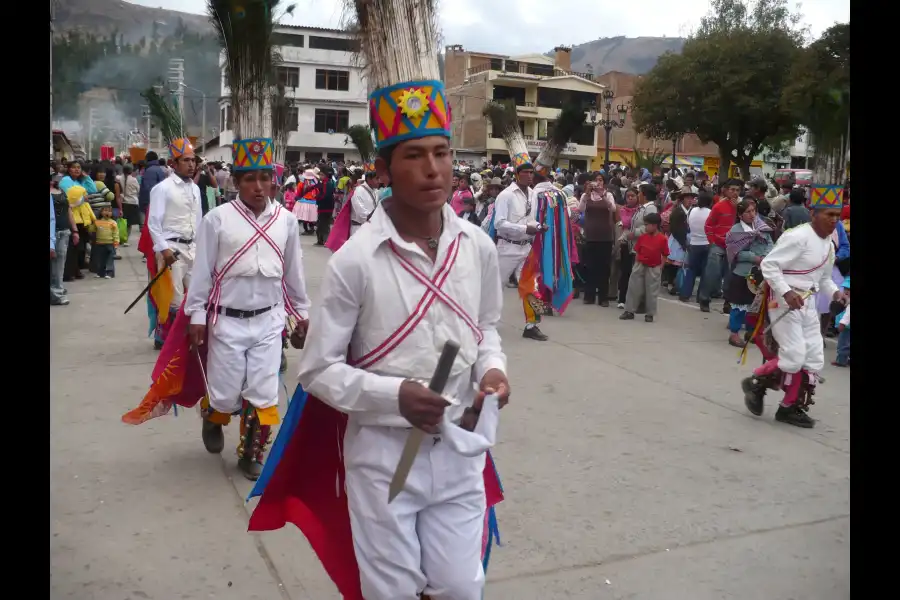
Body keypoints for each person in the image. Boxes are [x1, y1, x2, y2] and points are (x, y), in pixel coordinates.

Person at [247, 8, 508, 596]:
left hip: (463, 446)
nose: (434, 168)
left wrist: (494, 370)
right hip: (386, 456)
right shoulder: (355, 260)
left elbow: (487, 329)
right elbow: (317, 370)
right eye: (414, 155)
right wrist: (396, 396)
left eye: (441, 152)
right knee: (389, 592)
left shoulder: (479, 248)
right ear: (383, 168)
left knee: (462, 588)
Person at [186, 136, 311, 479]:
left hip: (269, 321)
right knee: (225, 394)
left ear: (273, 179)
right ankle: (213, 416)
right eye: (250, 179)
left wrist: (302, 314)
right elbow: (202, 273)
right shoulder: (217, 220)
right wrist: (197, 314)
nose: (259, 187)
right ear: (237, 181)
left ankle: (251, 453)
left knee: (264, 391)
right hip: (227, 321)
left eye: (265, 178)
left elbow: (294, 273)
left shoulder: (285, 221)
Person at [740, 193, 847, 428]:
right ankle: (758, 381)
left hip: (808, 304)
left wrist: (836, 294)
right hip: (783, 303)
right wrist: (787, 292)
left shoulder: (829, 245)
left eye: (837, 216)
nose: (833, 220)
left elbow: (825, 279)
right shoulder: (797, 237)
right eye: (829, 214)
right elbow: (769, 265)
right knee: (795, 355)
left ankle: (788, 407)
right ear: (813, 214)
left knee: (814, 357)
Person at [146, 137, 202, 349]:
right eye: (186, 160)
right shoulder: (163, 188)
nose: (191, 165)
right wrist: (164, 249)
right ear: (173, 163)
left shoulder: (195, 189)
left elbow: (198, 221)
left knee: (197, 295)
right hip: (172, 248)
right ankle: (169, 340)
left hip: (192, 248)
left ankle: (187, 335)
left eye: (193, 160)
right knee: (175, 299)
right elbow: (154, 223)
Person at [495, 161, 546, 340]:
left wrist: (538, 226)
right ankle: (488, 324)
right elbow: (499, 223)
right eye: (526, 172)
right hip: (507, 247)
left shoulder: (533, 194)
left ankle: (531, 325)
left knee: (531, 285)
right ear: (517, 174)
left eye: (532, 172)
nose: (530, 175)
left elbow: (530, 219)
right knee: (495, 286)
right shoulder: (505, 195)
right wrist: (525, 229)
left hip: (526, 247)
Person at [724, 199, 773, 347]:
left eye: (754, 211)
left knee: (756, 306)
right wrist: (755, 258)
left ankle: (752, 332)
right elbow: (736, 253)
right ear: (740, 215)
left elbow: (770, 243)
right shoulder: (736, 231)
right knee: (739, 305)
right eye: (748, 212)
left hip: (760, 273)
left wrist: (765, 256)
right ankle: (734, 334)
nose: (752, 214)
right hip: (742, 273)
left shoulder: (762, 227)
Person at [700, 177, 742, 312]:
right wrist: (712, 241)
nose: (735, 193)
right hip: (718, 244)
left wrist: (738, 210)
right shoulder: (718, 206)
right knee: (712, 272)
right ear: (726, 191)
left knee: (732, 275)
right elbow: (708, 225)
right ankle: (704, 299)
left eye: (738, 190)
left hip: (734, 246)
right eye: (733, 190)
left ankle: (727, 302)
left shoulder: (742, 207)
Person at [620, 211, 667, 322]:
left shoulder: (662, 239)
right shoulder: (643, 237)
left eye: (646, 225)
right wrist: (636, 265)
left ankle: (649, 314)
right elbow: (637, 251)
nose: (645, 227)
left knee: (652, 291)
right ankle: (629, 311)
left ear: (654, 225)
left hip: (653, 267)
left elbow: (665, 254)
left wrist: (661, 266)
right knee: (634, 288)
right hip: (640, 265)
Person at [578, 176, 617, 306]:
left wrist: (602, 196)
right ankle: (589, 296)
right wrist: (587, 194)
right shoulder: (586, 195)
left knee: (604, 268)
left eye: (600, 180)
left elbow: (613, 209)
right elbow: (580, 209)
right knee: (590, 266)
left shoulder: (608, 195)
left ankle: (603, 297)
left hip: (605, 236)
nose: (598, 183)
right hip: (590, 236)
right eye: (595, 180)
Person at [680, 191, 713, 302]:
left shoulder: (692, 211)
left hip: (694, 243)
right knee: (705, 272)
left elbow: (688, 224)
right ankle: (700, 296)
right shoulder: (710, 212)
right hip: (707, 243)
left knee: (691, 270)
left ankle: (685, 294)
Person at [91, 203, 119, 279]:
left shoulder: (113, 223)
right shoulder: (97, 222)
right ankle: (100, 273)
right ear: (101, 212)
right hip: (100, 243)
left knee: (110, 259)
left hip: (110, 243)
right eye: (105, 210)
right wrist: (91, 224)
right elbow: (92, 230)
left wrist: (116, 243)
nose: (107, 212)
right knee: (101, 259)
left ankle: (110, 273)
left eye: (109, 211)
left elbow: (116, 233)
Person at [138, 151, 166, 222]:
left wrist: (146, 205)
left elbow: (149, 189)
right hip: (159, 202)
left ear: (147, 159)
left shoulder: (150, 171)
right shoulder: (159, 169)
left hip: (151, 204)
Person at [117, 163, 141, 245]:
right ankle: (125, 239)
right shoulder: (134, 180)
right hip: (132, 202)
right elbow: (138, 190)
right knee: (129, 224)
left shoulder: (119, 178)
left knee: (122, 222)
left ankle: (120, 237)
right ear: (131, 171)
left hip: (123, 202)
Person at [831, 277, 850, 367]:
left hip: (846, 327)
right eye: (845, 289)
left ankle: (841, 360)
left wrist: (842, 324)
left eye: (849, 290)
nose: (846, 292)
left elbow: (847, 315)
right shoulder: (846, 300)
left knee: (843, 344)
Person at [315, 166, 336, 246]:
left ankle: (326, 241)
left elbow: (326, 195)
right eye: (320, 175)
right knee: (320, 224)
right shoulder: (322, 183)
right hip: (322, 206)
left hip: (326, 207)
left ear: (325, 175)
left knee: (324, 224)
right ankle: (320, 240)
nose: (320, 176)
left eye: (322, 175)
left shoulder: (328, 183)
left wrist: (318, 197)